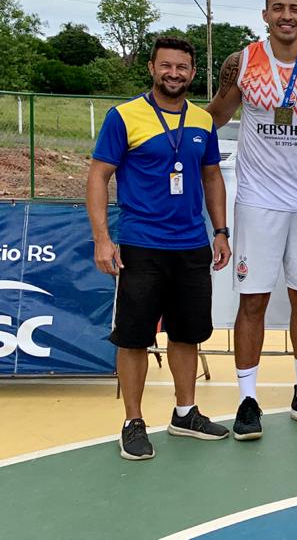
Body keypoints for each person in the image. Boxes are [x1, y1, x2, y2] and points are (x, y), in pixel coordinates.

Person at [207, 0, 297, 441]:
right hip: (258, 199)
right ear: (265, 15)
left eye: (294, 9)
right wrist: (168, 126)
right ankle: (248, 400)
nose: (286, 16)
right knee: (254, 301)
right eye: (278, 9)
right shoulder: (241, 62)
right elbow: (216, 114)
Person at [86, 36, 232, 461]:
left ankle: (185, 414)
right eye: (166, 66)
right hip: (140, 245)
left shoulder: (203, 121)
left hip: (191, 245)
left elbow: (211, 178)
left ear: (192, 72)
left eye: (182, 67)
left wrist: (220, 231)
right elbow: (98, 177)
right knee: (134, 338)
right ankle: (133, 421)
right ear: (152, 67)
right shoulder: (124, 116)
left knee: (187, 334)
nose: (174, 74)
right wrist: (101, 238)